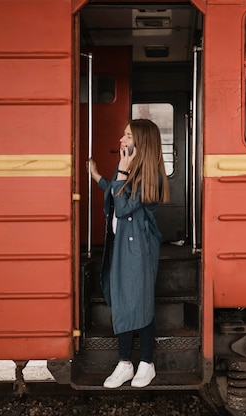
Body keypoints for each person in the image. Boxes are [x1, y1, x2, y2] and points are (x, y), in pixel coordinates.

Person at [88, 119, 169, 388]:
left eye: (126, 136)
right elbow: (115, 194)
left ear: (140, 142)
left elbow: (123, 208)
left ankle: (146, 363)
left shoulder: (151, 174)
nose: (121, 140)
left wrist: (120, 173)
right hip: (120, 243)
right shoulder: (128, 168)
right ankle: (125, 363)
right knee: (123, 300)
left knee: (140, 302)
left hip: (138, 248)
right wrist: (100, 178)